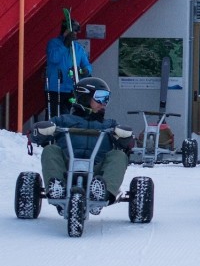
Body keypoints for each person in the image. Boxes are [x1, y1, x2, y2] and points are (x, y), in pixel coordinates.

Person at [32, 78, 132, 212]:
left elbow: (129, 143)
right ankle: (56, 187)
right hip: (66, 169)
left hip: (98, 173)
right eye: (100, 97)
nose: (104, 103)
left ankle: (103, 193)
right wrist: (42, 130)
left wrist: (125, 136)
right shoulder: (63, 121)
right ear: (85, 96)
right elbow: (35, 136)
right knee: (50, 150)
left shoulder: (109, 125)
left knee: (119, 155)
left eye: (106, 98)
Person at [45, 19, 93, 118]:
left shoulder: (78, 48)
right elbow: (54, 58)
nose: (75, 34)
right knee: (55, 117)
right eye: (73, 31)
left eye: (76, 32)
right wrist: (65, 44)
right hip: (55, 88)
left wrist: (86, 71)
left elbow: (87, 65)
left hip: (72, 89)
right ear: (65, 31)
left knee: (70, 117)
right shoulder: (53, 43)